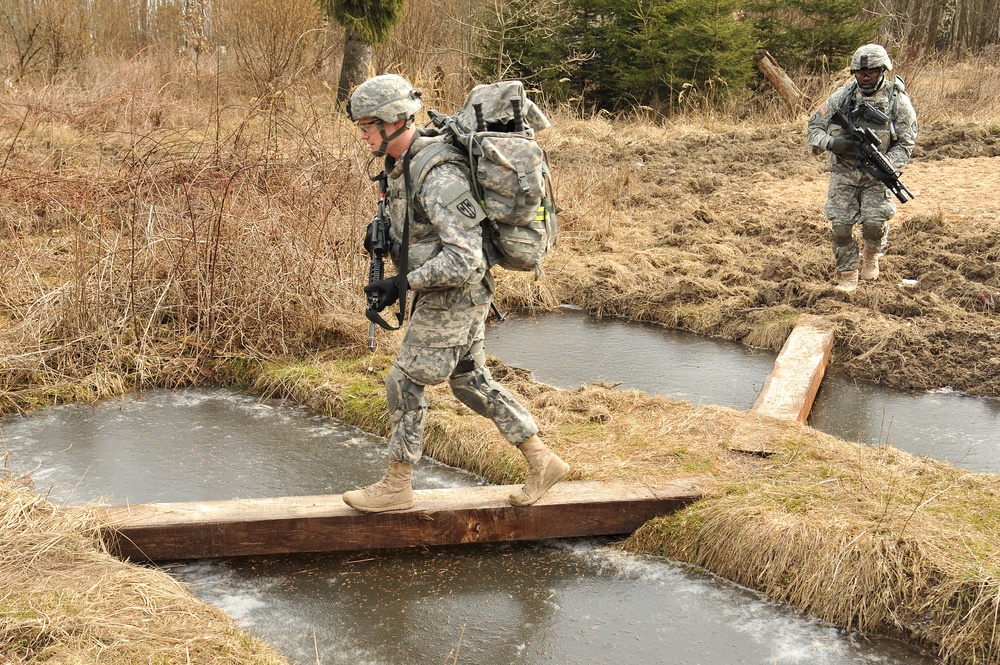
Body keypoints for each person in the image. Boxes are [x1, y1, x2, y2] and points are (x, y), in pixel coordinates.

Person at [342, 73, 569, 513]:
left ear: (392, 120)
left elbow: (466, 258)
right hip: (449, 291)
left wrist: (402, 282)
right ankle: (542, 461)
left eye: (368, 124)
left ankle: (397, 485)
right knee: (469, 382)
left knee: (404, 382)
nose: (364, 133)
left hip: (456, 292)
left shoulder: (438, 174)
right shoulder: (402, 165)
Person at [806, 44, 918, 293]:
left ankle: (870, 256)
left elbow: (906, 144)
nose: (865, 77)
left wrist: (887, 165)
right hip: (844, 172)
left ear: (883, 71)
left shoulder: (897, 101)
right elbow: (813, 129)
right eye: (860, 72)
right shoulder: (842, 97)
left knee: (874, 224)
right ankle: (848, 275)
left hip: (877, 175)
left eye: (871, 72)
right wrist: (834, 143)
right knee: (841, 228)